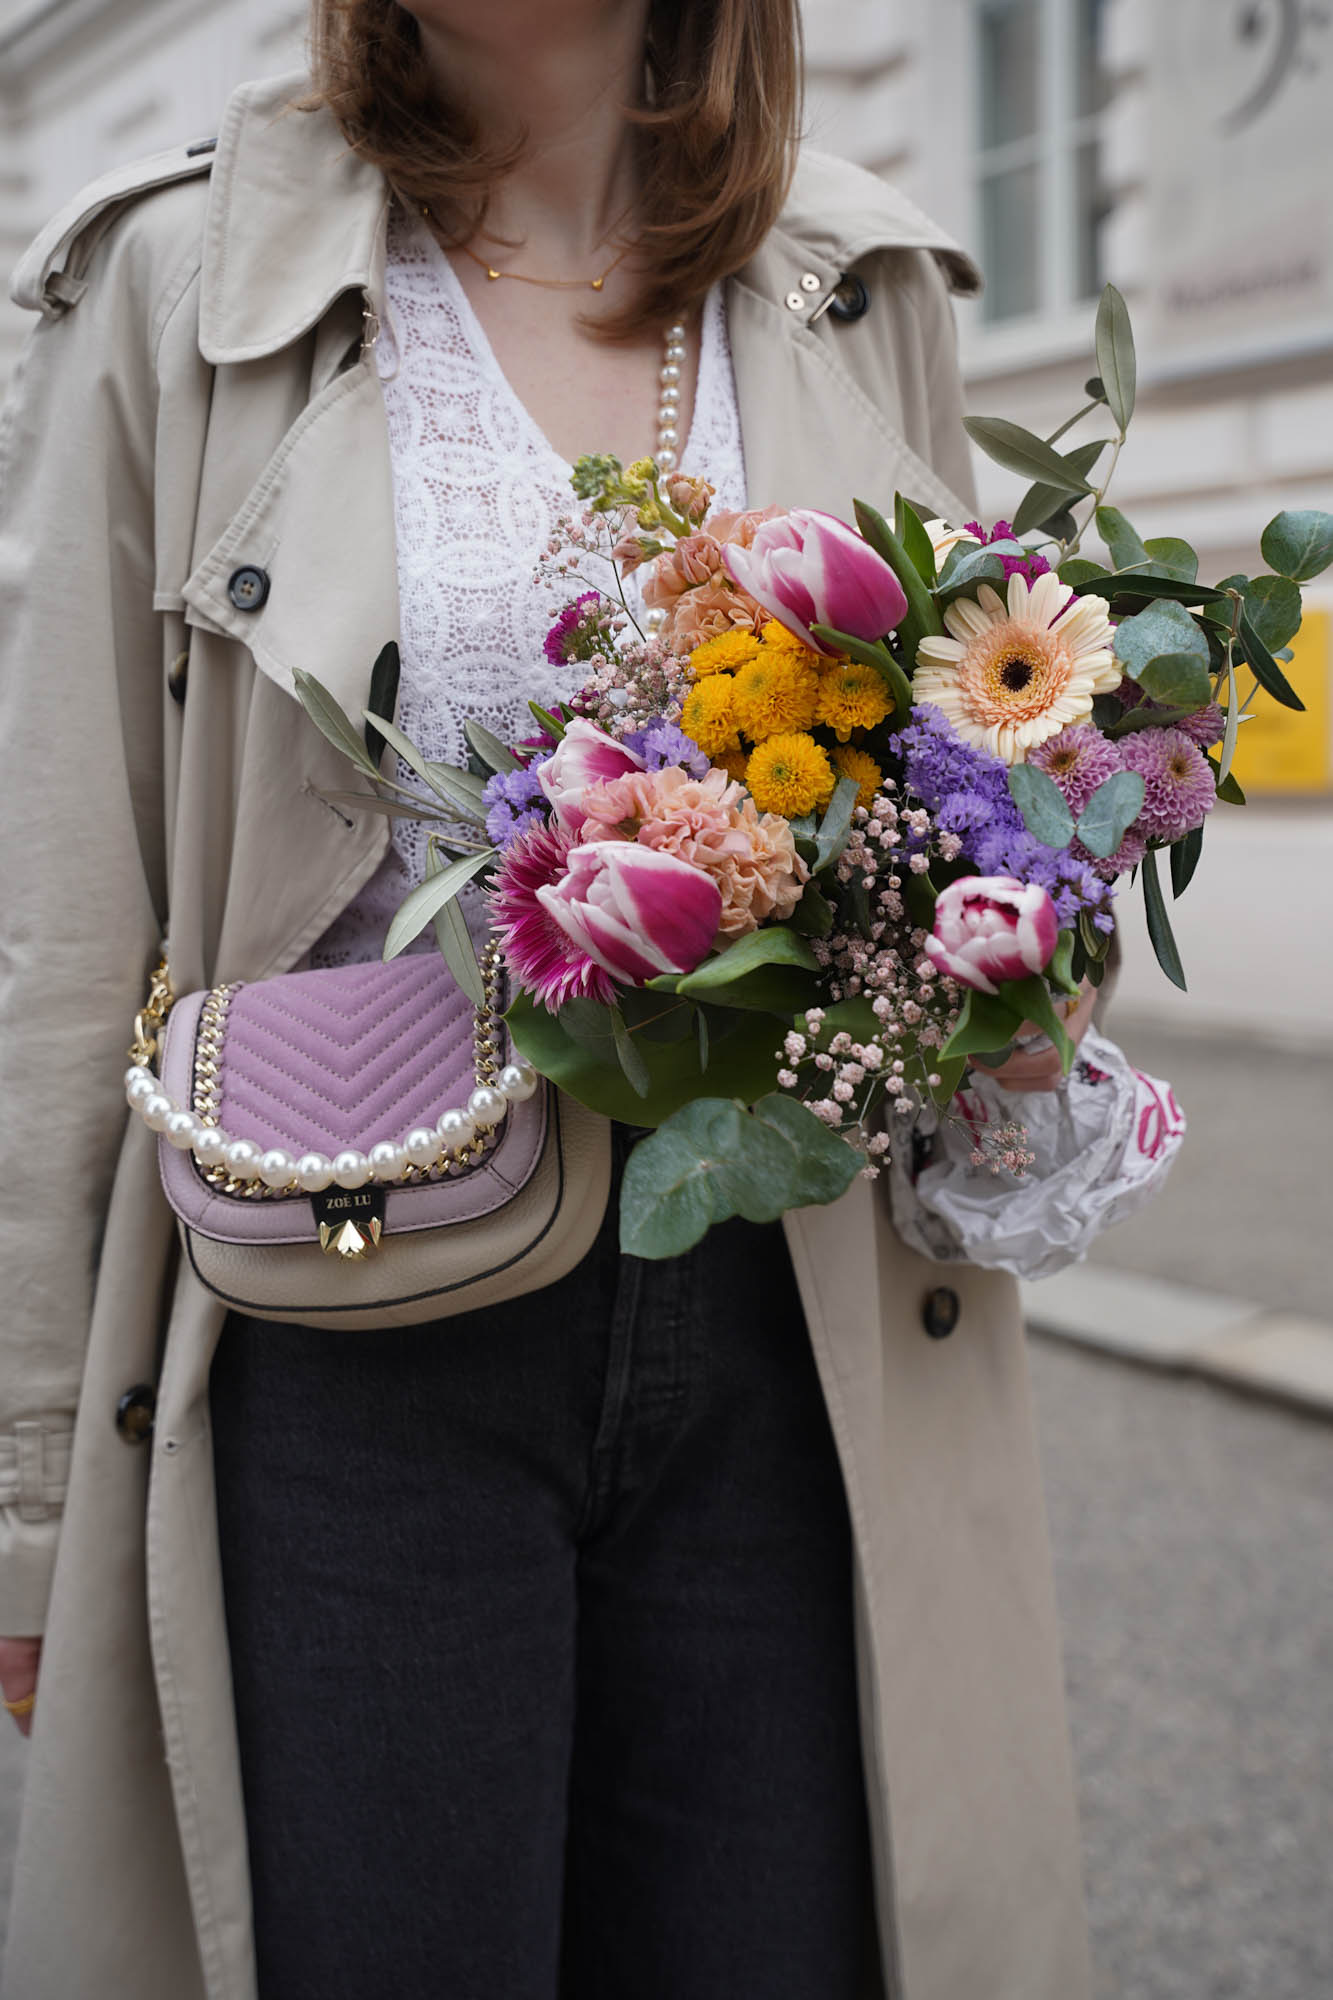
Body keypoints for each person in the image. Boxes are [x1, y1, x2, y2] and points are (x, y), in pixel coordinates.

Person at [0, 4, 1097, 1995]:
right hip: (352, 1317)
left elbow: (989, 788)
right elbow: (57, 917)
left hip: (798, 1320)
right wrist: (26, 1479)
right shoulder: (180, 273)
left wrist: (1029, 977)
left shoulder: (865, 281)